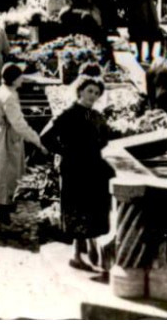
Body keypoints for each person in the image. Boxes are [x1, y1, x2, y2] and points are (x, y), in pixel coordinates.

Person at [41, 76, 114, 279]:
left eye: (96, 93)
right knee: (78, 209)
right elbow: (45, 137)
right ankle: (78, 255)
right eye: (90, 91)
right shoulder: (68, 115)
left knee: (93, 210)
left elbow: (105, 139)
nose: (93, 96)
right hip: (75, 170)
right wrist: (65, 152)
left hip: (93, 168)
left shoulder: (96, 116)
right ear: (80, 91)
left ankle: (84, 254)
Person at [0, 62, 45, 225]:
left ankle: (7, 207)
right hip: (8, 137)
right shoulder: (9, 96)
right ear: (14, 79)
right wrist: (37, 140)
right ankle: (4, 212)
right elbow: (18, 123)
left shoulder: (3, 90)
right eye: (20, 77)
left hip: (3, 133)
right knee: (6, 175)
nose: (23, 79)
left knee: (5, 173)